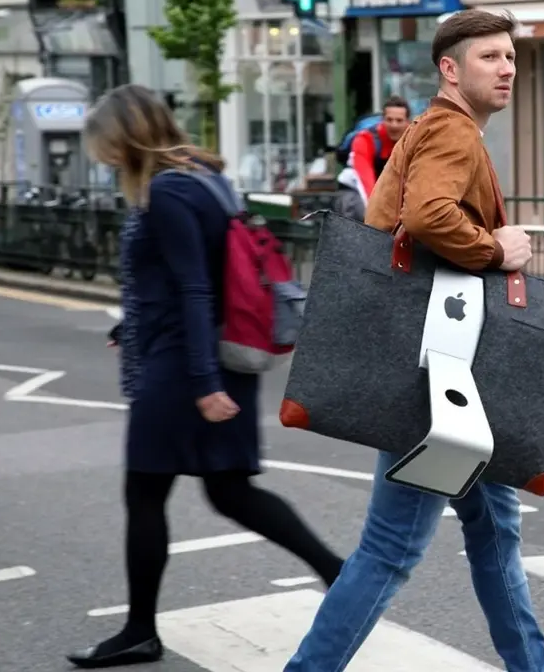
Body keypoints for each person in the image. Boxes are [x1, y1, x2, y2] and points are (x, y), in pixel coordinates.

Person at [284, 11, 544, 672]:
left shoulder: (441, 129)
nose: (507, 67)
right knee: (392, 547)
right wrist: (497, 247)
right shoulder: (453, 132)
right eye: (490, 56)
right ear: (451, 70)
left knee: (494, 534)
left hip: (439, 367)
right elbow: (429, 216)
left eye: (510, 56)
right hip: (435, 374)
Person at [66, 84, 344, 669]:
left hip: (186, 366)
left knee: (145, 492)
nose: (106, 158)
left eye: (107, 145)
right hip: (211, 354)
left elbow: (196, 285)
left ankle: (140, 631)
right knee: (228, 490)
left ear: (128, 134)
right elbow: (191, 278)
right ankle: (338, 576)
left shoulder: (167, 190)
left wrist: (201, 384)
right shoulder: (205, 176)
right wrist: (133, 326)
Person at [333, 96, 410, 221]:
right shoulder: (365, 139)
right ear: (382, 120)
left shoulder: (413, 139)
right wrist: (375, 217)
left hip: (388, 191)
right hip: (356, 191)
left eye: (399, 120)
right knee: (360, 212)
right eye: (389, 120)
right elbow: (365, 181)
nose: (394, 125)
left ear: (407, 122)